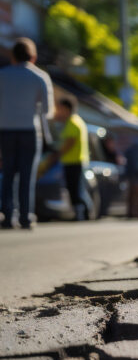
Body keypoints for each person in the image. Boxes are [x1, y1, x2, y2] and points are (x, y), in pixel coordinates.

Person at [0, 37, 54, 229]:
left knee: (7, 174)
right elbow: (48, 111)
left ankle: (7, 215)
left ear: (13, 56)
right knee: (27, 175)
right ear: (33, 57)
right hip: (30, 130)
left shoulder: (2, 75)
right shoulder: (39, 77)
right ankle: (25, 216)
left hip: (5, 130)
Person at [41, 98, 90, 220]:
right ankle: (84, 213)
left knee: (75, 189)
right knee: (78, 189)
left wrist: (54, 157)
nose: (58, 111)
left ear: (67, 109)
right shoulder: (75, 121)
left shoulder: (72, 123)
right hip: (74, 161)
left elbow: (69, 144)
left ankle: (81, 214)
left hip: (74, 161)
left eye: (60, 108)